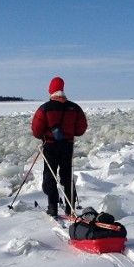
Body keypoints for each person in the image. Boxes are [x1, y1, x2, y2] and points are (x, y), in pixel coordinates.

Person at [31, 76, 88, 216]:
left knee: (50, 175)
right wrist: (69, 131)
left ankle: (53, 206)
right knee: (67, 176)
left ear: (51, 90)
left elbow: (36, 131)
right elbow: (81, 130)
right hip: (67, 146)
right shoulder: (74, 108)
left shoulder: (44, 108)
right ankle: (70, 207)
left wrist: (46, 134)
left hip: (50, 146)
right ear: (62, 89)